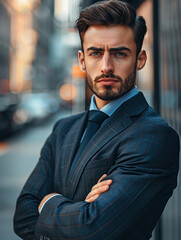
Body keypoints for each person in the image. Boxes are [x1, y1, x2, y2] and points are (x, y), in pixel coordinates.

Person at [14, 1, 180, 239]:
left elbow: (93, 228)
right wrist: (81, 210)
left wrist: (48, 202)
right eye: (96, 53)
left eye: (119, 53)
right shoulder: (63, 129)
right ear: (82, 60)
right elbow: (22, 216)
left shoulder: (154, 136)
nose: (106, 66)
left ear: (140, 59)